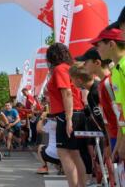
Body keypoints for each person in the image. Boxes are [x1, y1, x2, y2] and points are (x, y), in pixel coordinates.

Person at [46, 43, 86, 187]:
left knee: (65, 153)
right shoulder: (69, 68)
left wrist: (68, 119)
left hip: (67, 114)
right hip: (75, 112)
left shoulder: (60, 69)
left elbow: (67, 93)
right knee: (74, 153)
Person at [69, 63, 116, 186]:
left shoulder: (94, 93)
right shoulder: (96, 89)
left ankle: (113, 182)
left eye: (72, 79)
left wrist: (107, 140)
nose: (71, 82)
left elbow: (105, 118)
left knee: (111, 159)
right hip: (111, 133)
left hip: (113, 133)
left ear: (78, 79)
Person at [92, 26, 125, 161]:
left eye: (98, 44)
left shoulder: (123, 67)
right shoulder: (116, 70)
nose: (96, 49)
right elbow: (121, 111)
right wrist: (119, 141)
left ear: (111, 44)